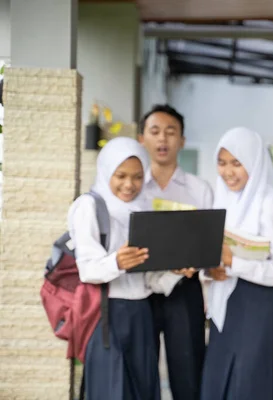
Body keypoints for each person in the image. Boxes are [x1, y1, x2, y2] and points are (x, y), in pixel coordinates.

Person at [201, 127, 273, 400]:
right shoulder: (221, 200)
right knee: (219, 383)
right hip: (226, 305)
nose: (228, 172)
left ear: (253, 162)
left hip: (259, 307)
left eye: (237, 163)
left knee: (250, 383)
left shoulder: (272, 207)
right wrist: (212, 270)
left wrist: (234, 262)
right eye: (222, 162)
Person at [68, 137, 160, 400]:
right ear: (107, 170)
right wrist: (117, 262)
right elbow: (87, 269)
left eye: (138, 177)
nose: (129, 184)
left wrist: (173, 272)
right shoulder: (89, 206)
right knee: (111, 391)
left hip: (141, 312)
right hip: (106, 313)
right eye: (120, 175)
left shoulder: (143, 207)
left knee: (143, 390)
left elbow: (148, 278)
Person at [138, 104, 213, 400]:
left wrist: (198, 262)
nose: (162, 140)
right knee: (142, 370)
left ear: (182, 140)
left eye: (171, 132)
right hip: (140, 290)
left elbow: (209, 241)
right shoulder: (133, 188)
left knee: (189, 370)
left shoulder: (199, 189)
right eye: (154, 132)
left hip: (185, 289)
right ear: (142, 138)